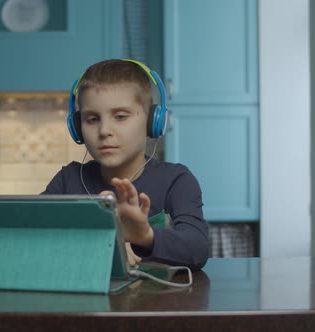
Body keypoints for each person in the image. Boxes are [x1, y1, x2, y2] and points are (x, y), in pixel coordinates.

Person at [42, 59, 209, 270]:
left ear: (152, 121)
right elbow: (32, 236)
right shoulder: (68, 180)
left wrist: (145, 237)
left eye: (120, 116)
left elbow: (198, 248)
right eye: (92, 119)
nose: (104, 131)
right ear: (77, 127)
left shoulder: (176, 180)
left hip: (157, 302)